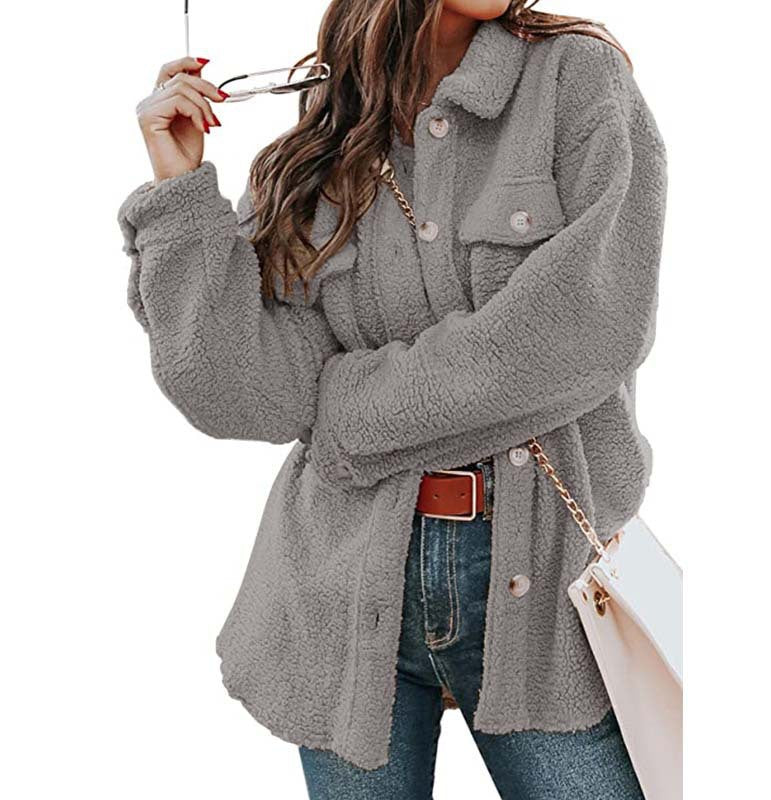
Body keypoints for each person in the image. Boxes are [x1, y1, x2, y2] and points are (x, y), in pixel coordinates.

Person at [117, 1, 667, 797]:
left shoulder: (575, 77)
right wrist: (179, 194)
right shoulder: (323, 133)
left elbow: (584, 327)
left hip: (549, 594)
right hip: (341, 591)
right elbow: (244, 394)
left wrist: (348, 409)